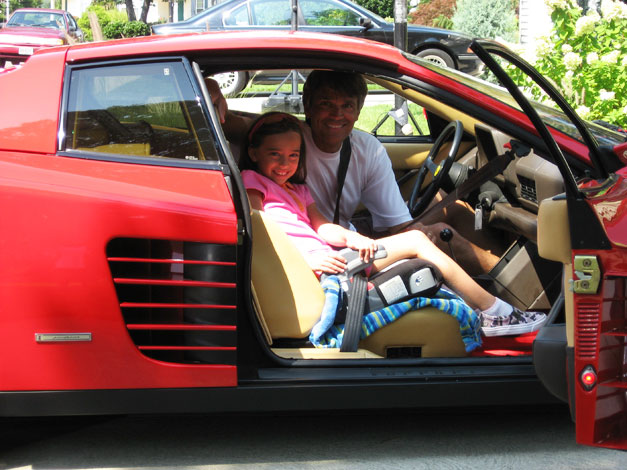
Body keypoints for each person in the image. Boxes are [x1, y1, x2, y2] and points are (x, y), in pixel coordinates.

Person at [239, 111, 546, 337]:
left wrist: (352, 239)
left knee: (417, 244)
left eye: (293, 155)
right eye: (274, 155)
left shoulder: (298, 189)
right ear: (253, 154)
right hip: (316, 267)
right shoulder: (252, 180)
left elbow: (322, 227)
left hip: (334, 258)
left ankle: (489, 309)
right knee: (417, 241)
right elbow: (261, 230)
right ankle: (495, 313)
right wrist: (308, 259)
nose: (284, 164)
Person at [205, 72, 502, 276]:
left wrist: (412, 236)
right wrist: (212, 95)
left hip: (344, 241)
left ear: (359, 111)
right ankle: (514, 295)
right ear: (307, 106)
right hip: (319, 252)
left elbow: (394, 224)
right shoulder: (287, 138)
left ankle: (502, 285)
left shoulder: (367, 149)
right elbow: (232, 124)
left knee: (455, 211)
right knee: (438, 234)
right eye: (326, 104)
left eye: (347, 106)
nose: (337, 115)